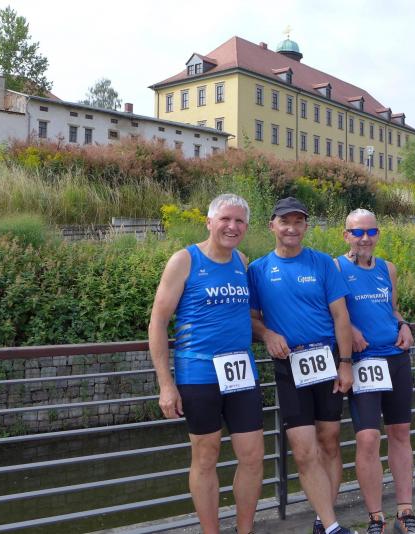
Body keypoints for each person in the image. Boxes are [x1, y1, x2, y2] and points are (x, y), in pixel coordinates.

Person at [148, 194, 263, 534]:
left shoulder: (241, 260)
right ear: (209, 222)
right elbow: (158, 322)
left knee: (253, 456)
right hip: (198, 372)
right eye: (225, 219)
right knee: (205, 455)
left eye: (239, 221)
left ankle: (245, 530)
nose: (232, 226)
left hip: (240, 372)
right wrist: (165, 384)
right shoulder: (184, 260)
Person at [248, 197, 357, 534]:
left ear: (306, 226)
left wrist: (346, 363)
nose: (292, 228)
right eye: (285, 221)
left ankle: (324, 520)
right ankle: (332, 526)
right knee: (303, 449)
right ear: (272, 226)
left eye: (298, 222)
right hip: (288, 365)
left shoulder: (323, 263)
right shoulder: (258, 270)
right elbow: (251, 318)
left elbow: (341, 317)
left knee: (330, 441)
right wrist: (267, 333)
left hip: (327, 361)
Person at [337, 208, 415, 534]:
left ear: (378, 234)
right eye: (357, 232)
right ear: (346, 235)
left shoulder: (388, 268)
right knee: (368, 438)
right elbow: (331, 313)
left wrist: (404, 324)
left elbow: (392, 309)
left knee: (400, 433)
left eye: (371, 231)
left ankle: (405, 511)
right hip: (363, 362)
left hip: (396, 359)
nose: (365, 238)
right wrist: (349, 330)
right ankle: (375, 517)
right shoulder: (336, 268)